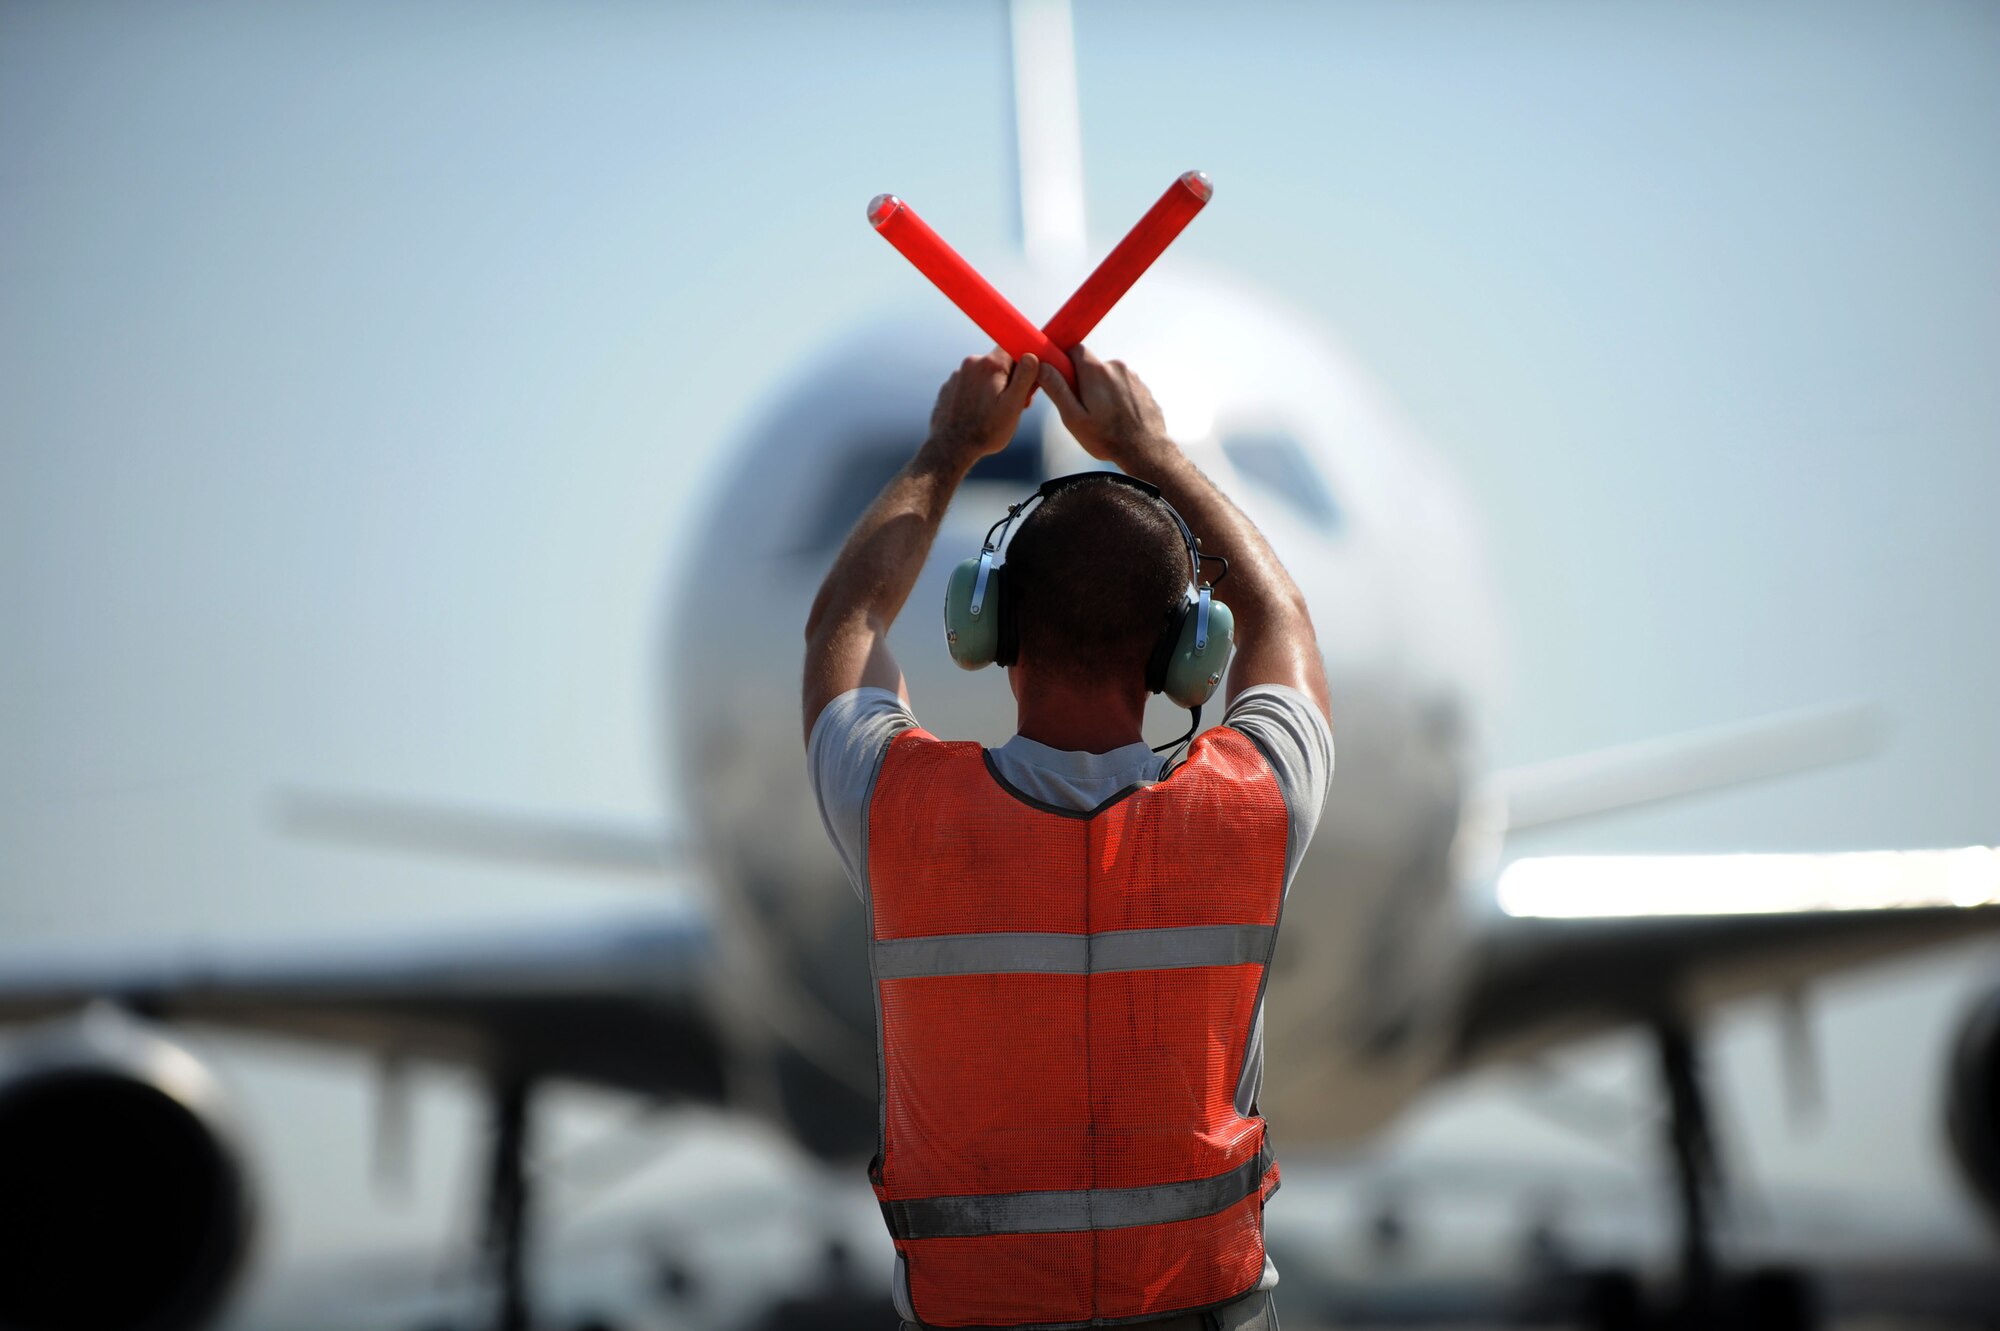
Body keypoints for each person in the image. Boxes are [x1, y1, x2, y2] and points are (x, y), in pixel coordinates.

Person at [803, 345, 1332, 1331]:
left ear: (989, 628)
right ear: (1184, 653)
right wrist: (1151, 450)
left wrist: (951, 445)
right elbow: (1279, 617)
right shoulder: (1252, 803)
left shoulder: (897, 808)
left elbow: (846, 620)